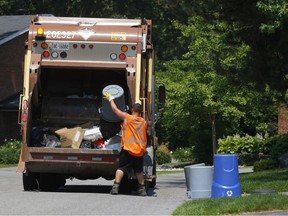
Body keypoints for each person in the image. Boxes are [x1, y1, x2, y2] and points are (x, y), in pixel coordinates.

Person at [103, 92, 147, 196]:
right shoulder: (143, 122)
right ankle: (142, 190)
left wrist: (110, 98)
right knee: (139, 171)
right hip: (139, 151)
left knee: (121, 168)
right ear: (141, 112)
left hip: (128, 149)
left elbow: (115, 110)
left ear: (132, 110)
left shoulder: (128, 118)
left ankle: (115, 187)